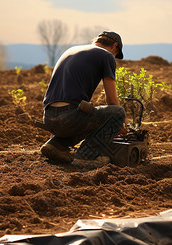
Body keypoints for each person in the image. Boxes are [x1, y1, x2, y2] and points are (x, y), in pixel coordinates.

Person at [40, 31, 126, 169]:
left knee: (88, 116)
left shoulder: (72, 50)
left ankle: (55, 145)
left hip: (49, 117)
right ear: (115, 46)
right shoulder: (107, 55)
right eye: (116, 54)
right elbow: (112, 101)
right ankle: (87, 157)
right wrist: (120, 123)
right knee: (117, 112)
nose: (114, 57)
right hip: (69, 118)